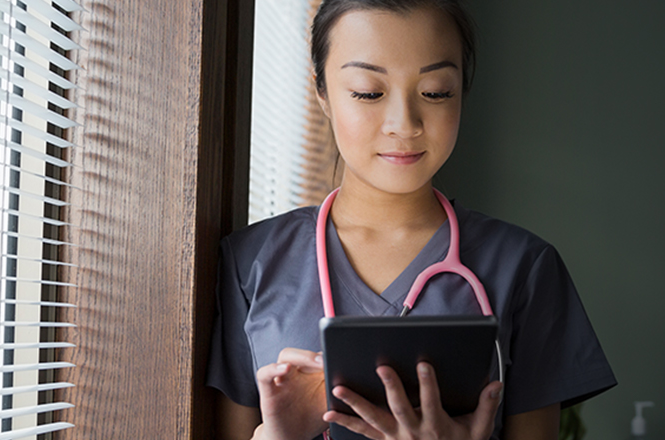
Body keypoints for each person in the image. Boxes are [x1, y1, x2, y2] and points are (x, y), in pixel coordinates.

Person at [206, 1, 616, 439]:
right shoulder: (249, 262)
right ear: (321, 92)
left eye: (436, 91)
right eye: (368, 91)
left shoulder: (524, 267)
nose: (404, 124)